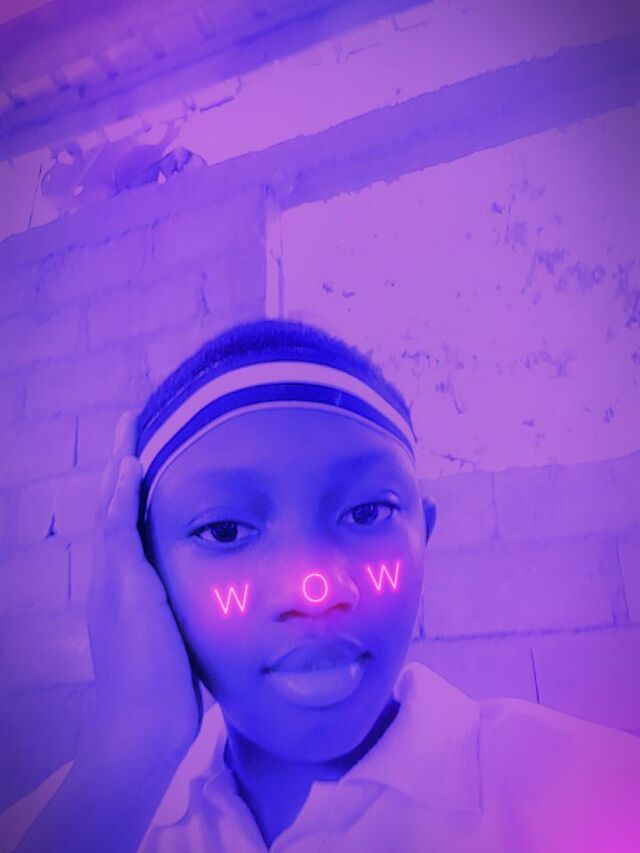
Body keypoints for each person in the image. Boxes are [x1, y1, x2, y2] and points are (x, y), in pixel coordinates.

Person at [4, 318, 640, 852]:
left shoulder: (596, 797)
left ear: (425, 536)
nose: (313, 590)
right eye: (224, 530)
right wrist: (131, 752)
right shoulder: (82, 812)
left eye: (367, 513)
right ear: (143, 574)